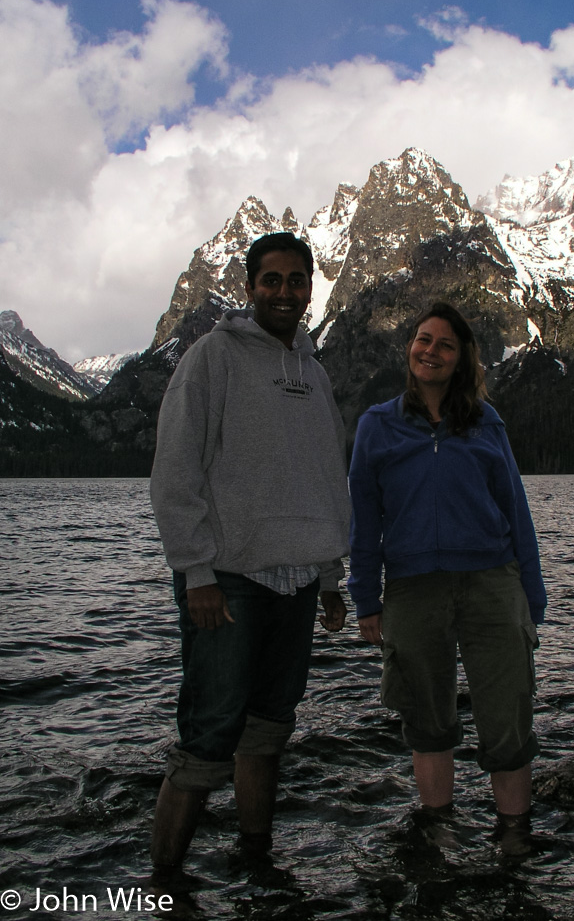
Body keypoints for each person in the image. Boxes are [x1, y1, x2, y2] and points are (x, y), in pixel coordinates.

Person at [149, 232, 350, 876]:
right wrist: (196, 571)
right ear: (250, 287)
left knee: (268, 729)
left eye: (297, 280)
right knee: (209, 735)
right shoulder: (212, 356)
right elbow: (175, 469)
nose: (285, 292)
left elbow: (323, 477)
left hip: (296, 584)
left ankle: (257, 862)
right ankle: (161, 886)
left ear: (310, 288)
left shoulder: (315, 373)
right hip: (227, 582)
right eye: (273, 280)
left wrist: (328, 577)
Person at [348, 301, 546, 857]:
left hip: (492, 582)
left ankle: (513, 837)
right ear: (409, 347)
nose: (430, 351)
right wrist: (365, 597)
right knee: (426, 719)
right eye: (422, 339)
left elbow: (516, 510)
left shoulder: (487, 423)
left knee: (507, 716)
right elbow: (364, 522)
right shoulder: (376, 425)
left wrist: (532, 597)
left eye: (444, 345)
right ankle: (439, 828)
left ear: (461, 361)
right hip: (413, 588)